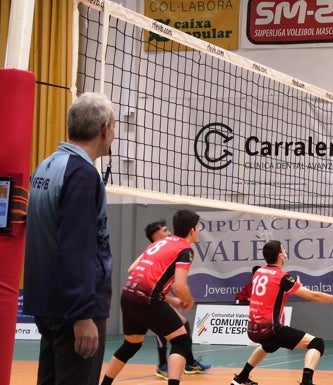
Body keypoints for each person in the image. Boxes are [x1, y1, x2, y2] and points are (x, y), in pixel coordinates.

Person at [23, 92, 116, 385]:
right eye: (114, 126)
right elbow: (76, 247)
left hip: (47, 303)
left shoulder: (47, 165)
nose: (114, 133)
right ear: (104, 129)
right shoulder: (82, 174)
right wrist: (82, 316)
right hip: (74, 310)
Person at [231, 240, 333, 385]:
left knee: (269, 345)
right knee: (317, 344)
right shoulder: (283, 277)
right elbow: (313, 296)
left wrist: (294, 286)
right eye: (284, 250)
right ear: (280, 256)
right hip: (271, 330)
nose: (286, 253)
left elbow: (274, 293)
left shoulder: (259, 272)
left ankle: (241, 377)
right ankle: (306, 382)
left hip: (252, 330)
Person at [100, 209, 201, 385]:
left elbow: (133, 270)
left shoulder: (159, 243)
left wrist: (170, 298)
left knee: (132, 344)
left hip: (128, 295)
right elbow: (180, 285)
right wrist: (189, 300)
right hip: (147, 299)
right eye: (198, 227)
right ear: (192, 230)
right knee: (181, 341)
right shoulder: (185, 249)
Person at [129, 220, 211, 380]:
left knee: (182, 323)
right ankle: (163, 365)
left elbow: (169, 281)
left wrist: (173, 298)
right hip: (148, 298)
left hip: (156, 296)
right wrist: (172, 298)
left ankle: (190, 362)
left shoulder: (168, 248)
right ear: (156, 236)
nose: (169, 233)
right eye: (165, 231)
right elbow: (131, 270)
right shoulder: (154, 249)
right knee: (163, 330)